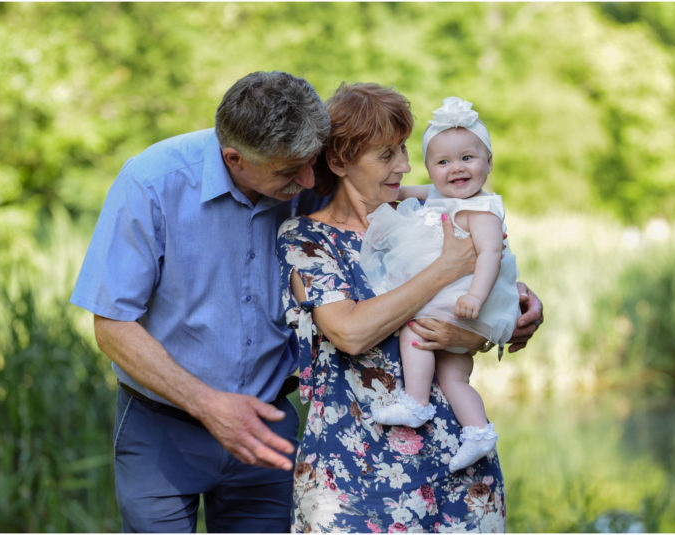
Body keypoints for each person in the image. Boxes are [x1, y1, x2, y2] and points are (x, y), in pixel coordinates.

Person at [70, 71, 332, 532]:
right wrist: (210, 405)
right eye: (291, 171)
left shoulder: (304, 178)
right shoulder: (153, 182)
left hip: (268, 428)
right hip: (160, 432)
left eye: (311, 163)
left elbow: (389, 213)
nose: (310, 180)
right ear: (235, 158)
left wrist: (497, 294)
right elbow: (111, 325)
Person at [276, 82, 543, 532]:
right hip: (354, 475)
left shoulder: (432, 214)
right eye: (386, 155)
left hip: (459, 465)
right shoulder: (308, 239)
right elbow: (351, 333)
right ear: (339, 161)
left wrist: (499, 323)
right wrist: (444, 269)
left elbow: (488, 291)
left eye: (403, 149)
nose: (403, 165)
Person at [360, 96, 519, 472]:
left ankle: (415, 401)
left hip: (464, 299)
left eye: (468, 158)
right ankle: (478, 431)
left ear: (489, 163)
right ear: (430, 169)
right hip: (457, 298)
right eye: (443, 162)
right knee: (453, 376)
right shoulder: (436, 195)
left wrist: (474, 297)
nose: (456, 169)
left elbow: (491, 257)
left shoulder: (482, 211)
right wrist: (382, 191)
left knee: (414, 325)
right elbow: (401, 192)